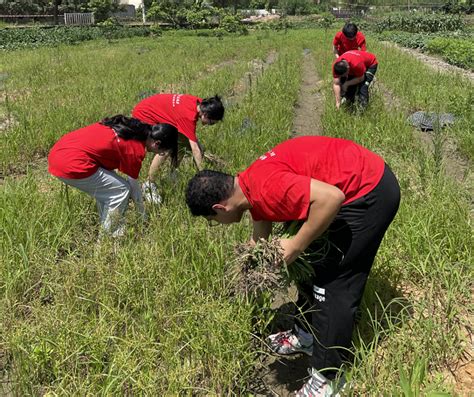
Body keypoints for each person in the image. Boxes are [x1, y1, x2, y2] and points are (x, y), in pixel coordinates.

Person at [185, 136, 400, 396]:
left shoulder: (266, 188)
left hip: (368, 192)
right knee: (310, 267)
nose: (216, 223)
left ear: (220, 207)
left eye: (212, 219)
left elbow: (332, 198)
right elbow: (260, 225)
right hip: (353, 179)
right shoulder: (247, 184)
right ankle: (307, 335)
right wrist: (252, 265)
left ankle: (328, 379)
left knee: (332, 286)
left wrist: (296, 245)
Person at [48, 115, 178, 237]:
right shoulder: (135, 149)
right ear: (157, 143)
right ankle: (105, 240)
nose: (159, 154)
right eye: (161, 152)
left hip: (61, 150)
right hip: (70, 163)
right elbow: (134, 189)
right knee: (120, 190)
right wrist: (143, 217)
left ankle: (115, 230)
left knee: (111, 188)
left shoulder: (131, 128)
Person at [131, 93, 225, 203]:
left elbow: (193, 145)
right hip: (144, 115)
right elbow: (195, 149)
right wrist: (205, 176)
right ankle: (149, 184)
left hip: (151, 109)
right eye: (211, 123)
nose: (209, 125)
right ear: (205, 115)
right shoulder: (188, 117)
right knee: (165, 147)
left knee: (182, 142)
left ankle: (171, 173)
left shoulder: (199, 103)